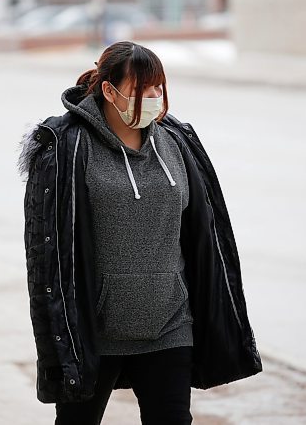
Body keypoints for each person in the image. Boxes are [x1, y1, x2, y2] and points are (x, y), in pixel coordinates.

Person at [18, 41, 262, 425]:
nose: (152, 98)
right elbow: (48, 253)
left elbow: (205, 236)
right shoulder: (66, 145)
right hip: (96, 332)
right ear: (109, 90)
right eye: (140, 89)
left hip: (170, 323)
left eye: (158, 88)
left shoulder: (177, 141)